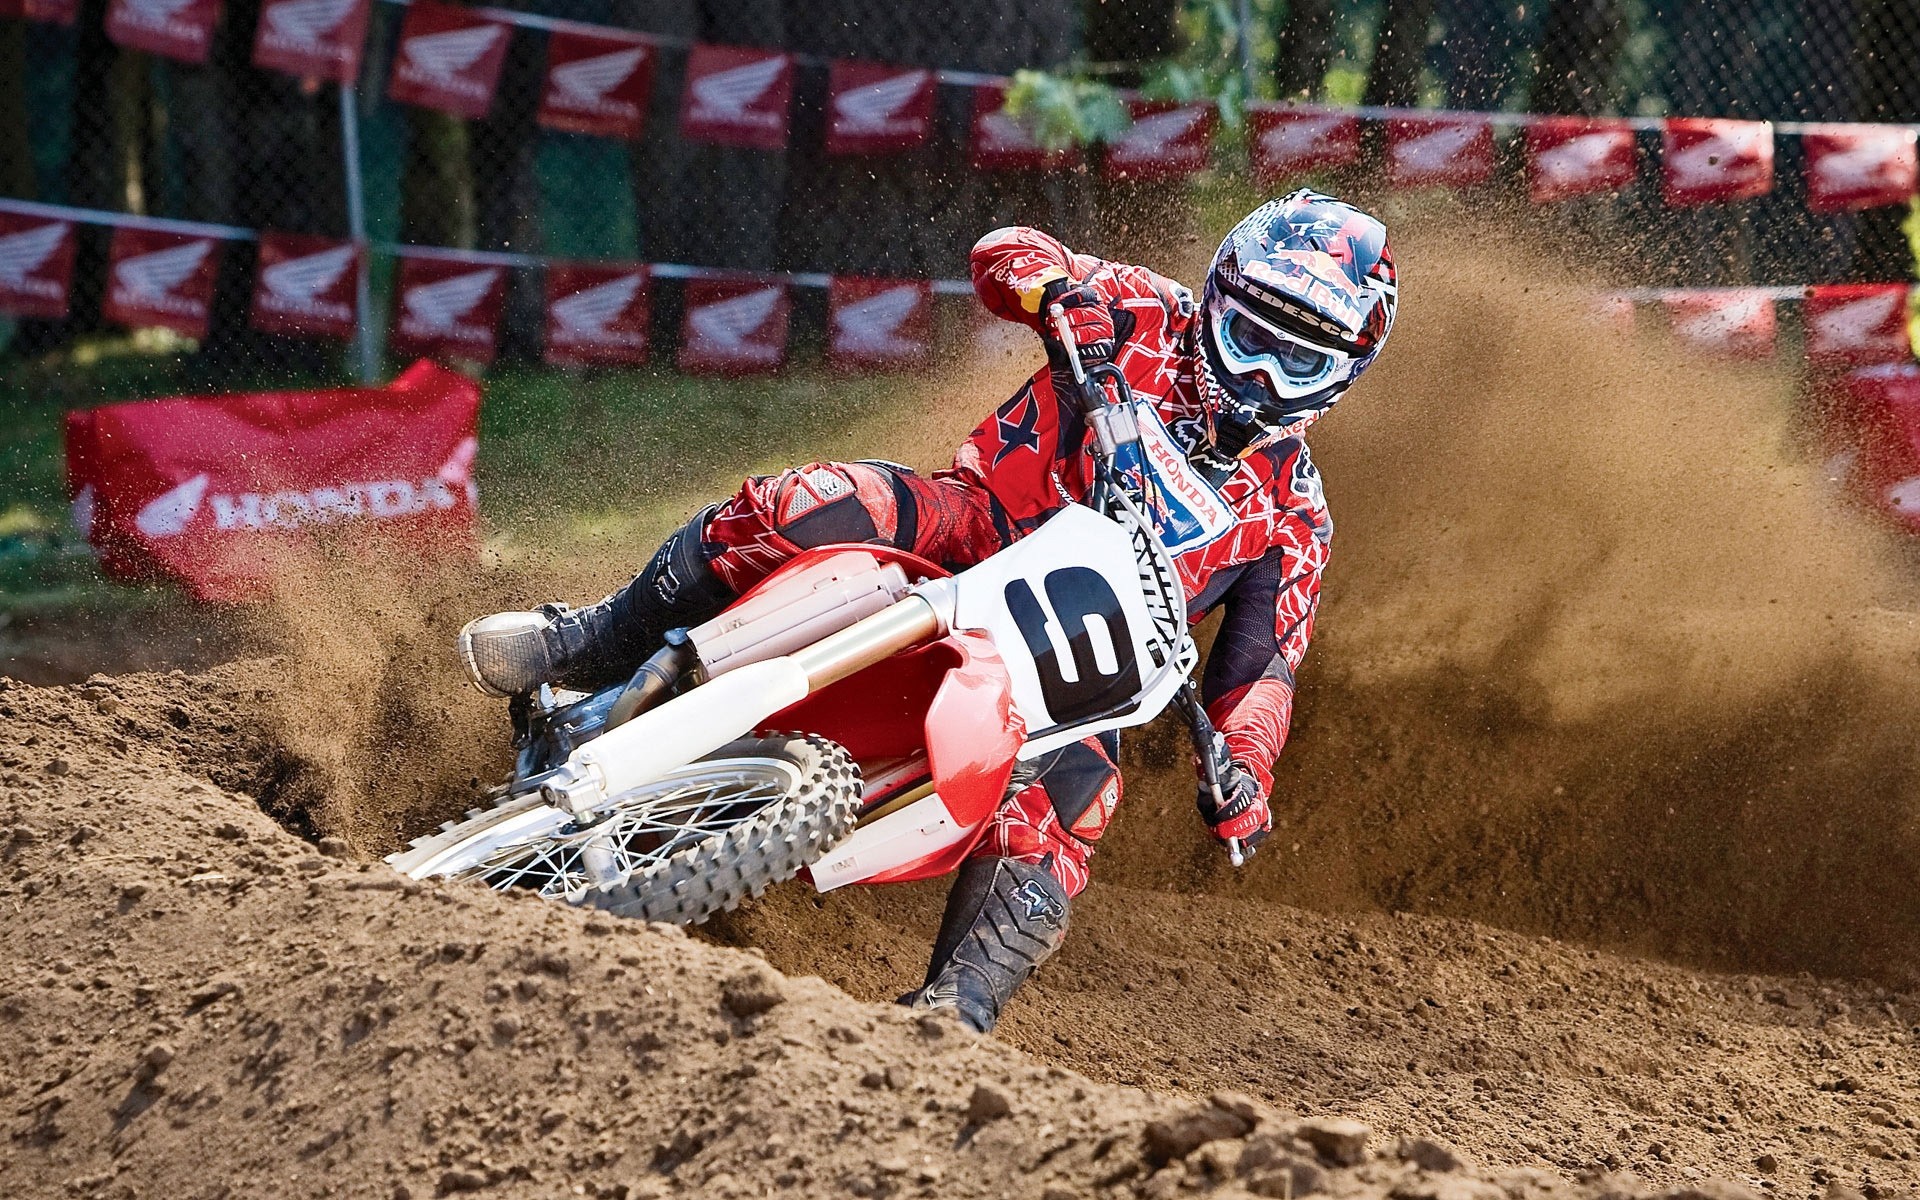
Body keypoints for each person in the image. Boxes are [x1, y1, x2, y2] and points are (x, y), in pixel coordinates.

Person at [458, 190, 1398, 1033]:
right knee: (812, 504)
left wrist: (1245, 774)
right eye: (1253, 336)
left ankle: (958, 1009)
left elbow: (1261, 673)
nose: (1264, 376)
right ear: (1219, 296)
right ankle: (586, 641)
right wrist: (1057, 297)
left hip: (1069, 670)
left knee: (1076, 799)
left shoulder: (1294, 516)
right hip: (971, 526)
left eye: (1299, 358)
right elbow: (1008, 249)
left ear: (1341, 375)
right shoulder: (1144, 312)